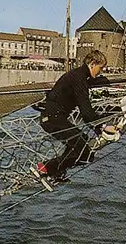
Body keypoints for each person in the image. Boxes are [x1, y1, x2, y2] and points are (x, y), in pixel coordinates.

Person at [37, 50, 116, 178]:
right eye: (100, 68)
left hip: (53, 118)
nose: (100, 71)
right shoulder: (79, 79)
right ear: (92, 64)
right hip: (52, 119)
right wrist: (103, 127)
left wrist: (98, 128)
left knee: (81, 144)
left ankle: (54, 170)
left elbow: (87, 110)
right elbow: (86, 113)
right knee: (84, 151)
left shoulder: (79, 76)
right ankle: (46, 168)